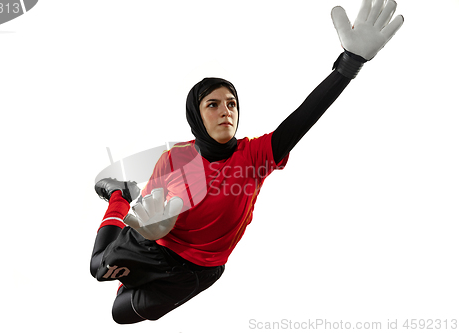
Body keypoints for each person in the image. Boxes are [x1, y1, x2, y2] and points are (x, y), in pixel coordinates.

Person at [90, 0, 404, 324]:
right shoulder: (175, 158)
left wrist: (349, 65)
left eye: (231, 103)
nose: (225, 110)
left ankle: (134, 271)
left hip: (200, 268)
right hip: (159, 247)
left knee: (121, 313)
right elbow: (149, 210)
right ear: (195, 115)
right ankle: (119, 194)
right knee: (98, 269)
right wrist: (151, 227)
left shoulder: (254, 156)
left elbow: (302, 120)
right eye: (212, 104)